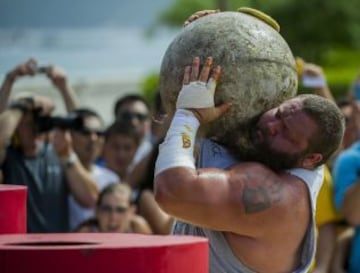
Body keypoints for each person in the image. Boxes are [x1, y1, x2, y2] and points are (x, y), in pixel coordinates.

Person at [154, 56, 345, 273]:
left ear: (311, 159)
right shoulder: (287, 155)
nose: (271, 125)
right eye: (279, 113)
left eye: (285, 132)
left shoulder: (275, 195)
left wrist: (188, 115)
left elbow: (171, 190)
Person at [0, 59, 99, 233]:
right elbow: (2, 132)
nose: (35, 128)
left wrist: (63, 87)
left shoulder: (59, 153)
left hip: (57, 249)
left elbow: (78, 126)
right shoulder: (9, 157)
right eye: (28, 122)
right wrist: (14, 90)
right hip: (21, 251)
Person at [67, 108, 120, 231]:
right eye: (86, 132)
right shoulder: (56, 172)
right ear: (70, 136)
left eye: (99, 133)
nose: (93, 138)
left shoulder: (112, 178)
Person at [76, 183, 152, 234]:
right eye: (106, 209)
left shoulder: (139, 229)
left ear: (132, 212)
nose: (113, 217)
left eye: (120, 210)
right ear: (96, 211)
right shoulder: (86, 234)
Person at [113, 94, 152, 167]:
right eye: (126, 117)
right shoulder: (101, 154)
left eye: (140, 117)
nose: (134, 122)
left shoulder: (159, 154)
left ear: (149, 121)